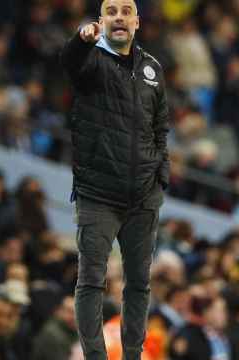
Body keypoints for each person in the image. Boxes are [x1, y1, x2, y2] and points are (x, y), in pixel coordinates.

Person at [60, 0, 170, 359]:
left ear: (137, 22)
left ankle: (132, 355)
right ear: (101, 20)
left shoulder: (152, 68)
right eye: (111, 11)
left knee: (138, 285)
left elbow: (161, 127)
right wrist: (81, 40)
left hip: (143, 197)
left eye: (126, 11)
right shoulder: (91, 60)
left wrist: (160, 179)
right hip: (98, 195)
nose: (119, 17)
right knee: (92, 280)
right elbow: (70, 62)